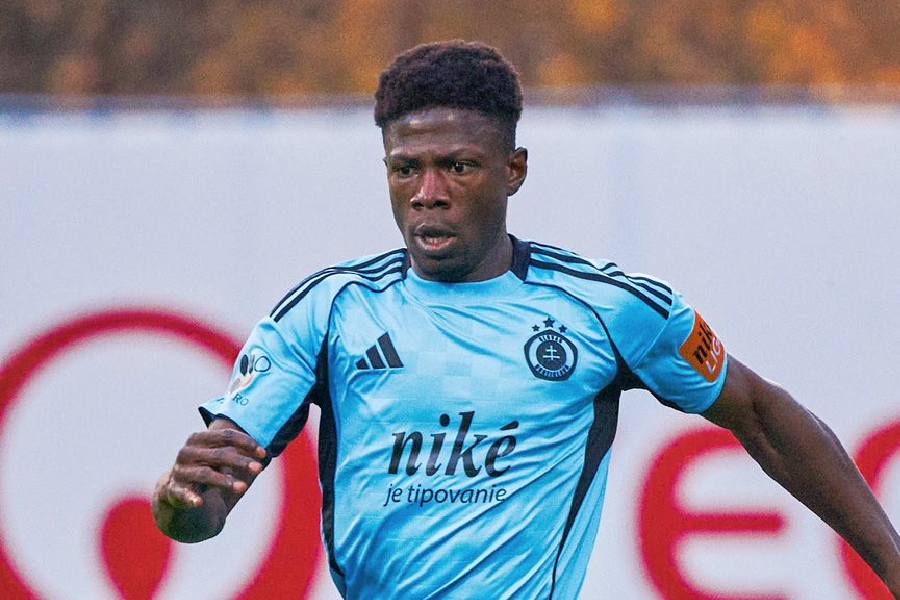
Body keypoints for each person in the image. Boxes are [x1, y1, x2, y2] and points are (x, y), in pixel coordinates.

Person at [152, 41, 900, 598]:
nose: (428, 192)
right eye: (406, 168)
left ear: (513, 171)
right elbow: (202, 509)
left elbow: (765, 417)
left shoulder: (606, 309)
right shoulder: (326, 313)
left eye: (458, 166)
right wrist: (177, 502)